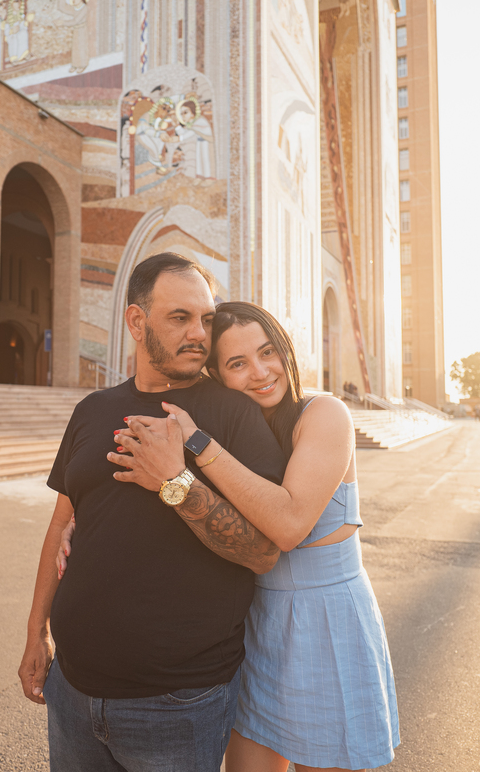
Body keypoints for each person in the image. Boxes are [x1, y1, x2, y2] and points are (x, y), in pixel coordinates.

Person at [100, 301, 399, 771]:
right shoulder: (239, 432)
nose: (260, 372)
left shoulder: (324, 414)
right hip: (255, 626)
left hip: (325, 621)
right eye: (238, 363)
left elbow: (286, 525)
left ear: (285, 352)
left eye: (267, 352)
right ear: (217, 374)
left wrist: (198, 441)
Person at [18, 253, 288, 772]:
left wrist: (175, 484)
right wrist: (37, 632)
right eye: (180, 318)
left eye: (206, 319)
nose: (199, 334)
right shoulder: (91, 410)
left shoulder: (234, 415)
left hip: (177, 704)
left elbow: (263, 551)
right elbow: (60, 524)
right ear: (137, 321)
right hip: (72, 690)